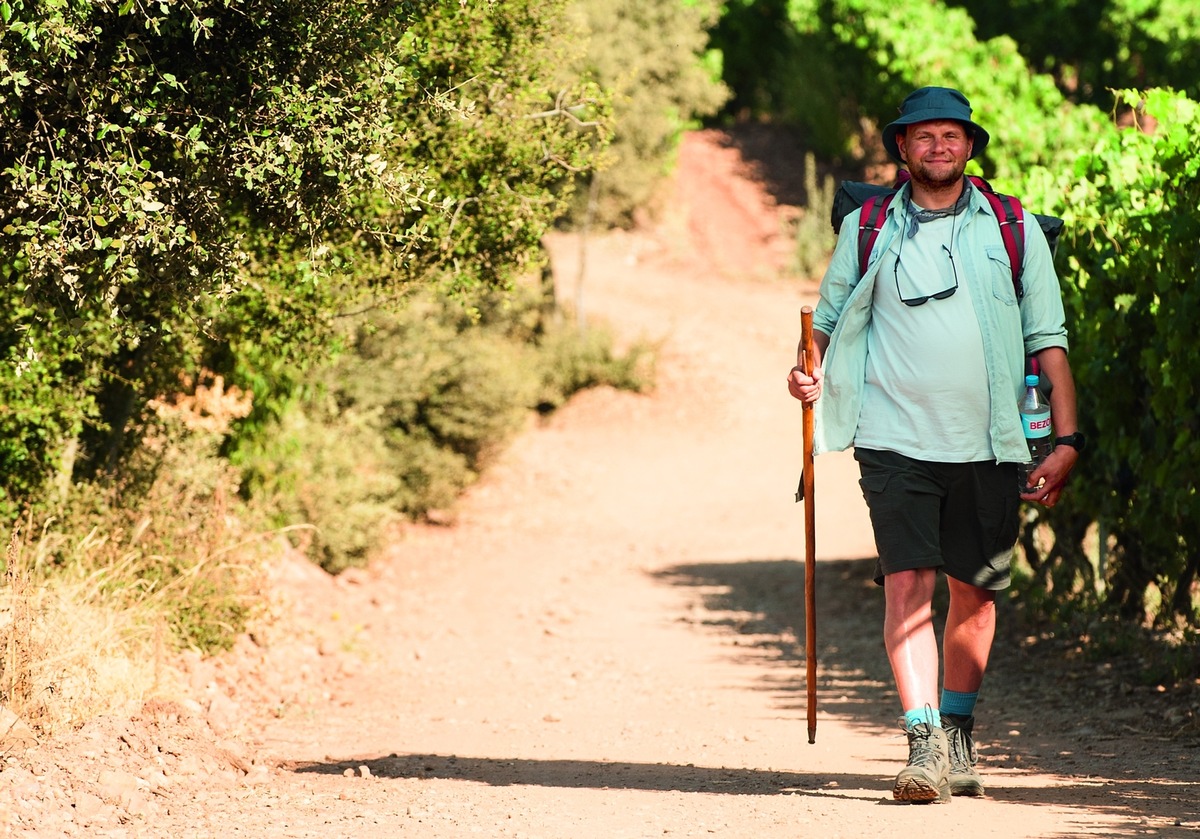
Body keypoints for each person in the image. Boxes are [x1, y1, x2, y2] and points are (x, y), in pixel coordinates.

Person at [786, 86, 1082, 804]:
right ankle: (921, 741)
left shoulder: (1015, 228)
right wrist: (806, 370)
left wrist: (1068, 439)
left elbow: (1049, 341)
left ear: (970, 146)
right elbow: (822, 322)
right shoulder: (867, 225)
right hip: (892, 441)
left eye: (952, 135)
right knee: (908, 586)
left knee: (974, 595)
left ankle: (957, 727)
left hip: (991, 444)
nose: (938, 146)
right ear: (900, 148)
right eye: (923, 136)